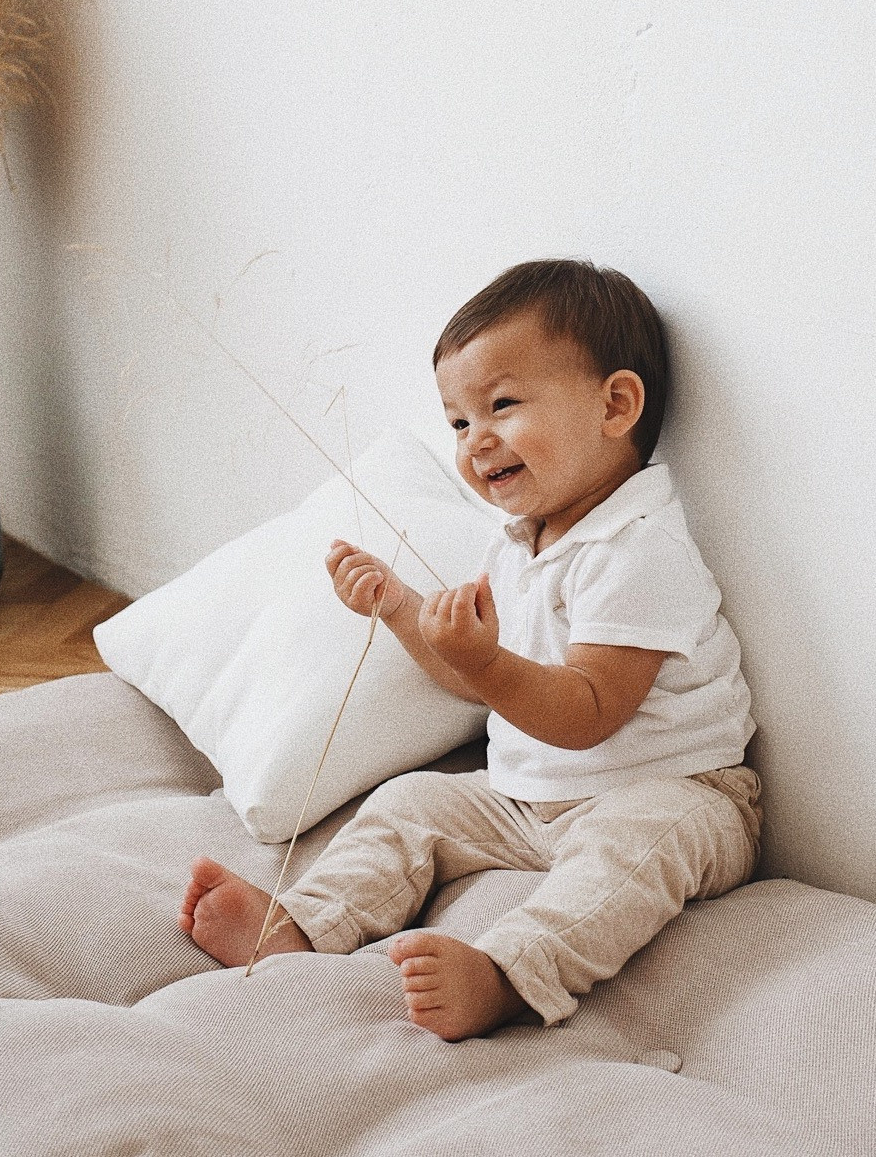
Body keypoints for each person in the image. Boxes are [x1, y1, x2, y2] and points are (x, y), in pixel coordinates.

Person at [180, 258, 759, 1041]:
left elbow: (590, 710)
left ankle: (511, 975)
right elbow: (471, 681)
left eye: (502, 406)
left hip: (671, 791)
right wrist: (400, 611)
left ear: (615, 405)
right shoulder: (521, 540)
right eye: (457, 422)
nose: (475, 442)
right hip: (531, 799)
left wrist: (486, 662)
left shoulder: (636, 549)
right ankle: (305, 923)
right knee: (410, 803)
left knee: (627, 856)